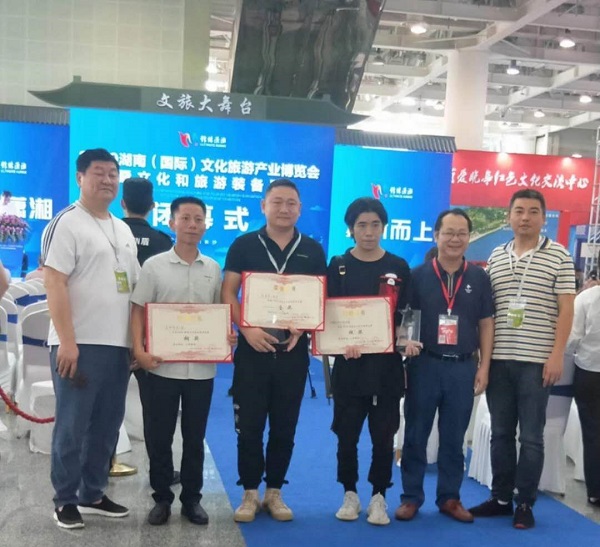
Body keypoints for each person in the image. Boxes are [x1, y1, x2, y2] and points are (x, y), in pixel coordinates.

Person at [42, 148, 139, 529]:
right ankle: (65, 499)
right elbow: (55, 282)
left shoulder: (123, 229)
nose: (108, 180)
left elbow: (133, 289)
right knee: (72, 425)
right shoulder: (67, 222)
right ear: (80, 177)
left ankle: (93, 493)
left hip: (118, 346)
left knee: (107, 424)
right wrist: (67, 341)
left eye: (113, 173)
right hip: (78, 344)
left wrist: (135, 342)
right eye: (99, 173)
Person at [221, 178, 327, 523]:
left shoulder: (312, 250)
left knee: (285, 426)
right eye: (277, 202)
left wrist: (304, 326)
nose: (284, 209)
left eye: (291, 203)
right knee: (249, 426)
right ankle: (250, 492)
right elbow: (228, 292)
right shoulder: (243, 245)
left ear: (300, 208)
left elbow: (317, 299)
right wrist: (246, 328)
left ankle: (275, 491)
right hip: (253, 352)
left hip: (292, 353)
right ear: (263, 206)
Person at [469, 189, 576, 529]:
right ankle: (501, 498)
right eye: (519, 211)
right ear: (509, 216)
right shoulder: (497, 255)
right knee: (500, 433)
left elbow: (567, 309)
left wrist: (556, 355)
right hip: (499, 359)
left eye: (532, 211)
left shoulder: (559, 255)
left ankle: (525, 502)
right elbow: (488, 313)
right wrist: (483, 359)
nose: (525, 217)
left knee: (531, 436)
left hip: (537, 361)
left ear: (544, 218)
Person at [131, 196, 231, 526]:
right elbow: (138, 310)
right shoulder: (154, 266)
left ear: (205, 225)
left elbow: (216, 314)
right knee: (159, 436)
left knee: (195, 437)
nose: (192, 225)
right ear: (172, 222)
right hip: (161, 366)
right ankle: (162, 497)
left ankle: (192, 499)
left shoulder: (212, 268)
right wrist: (138, 350)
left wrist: (225, 336)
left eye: (198, 219)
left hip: (201, 370)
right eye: (185, 218)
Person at [396, 208, 494, 524]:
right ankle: (411, 497)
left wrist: (484, 366)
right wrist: (405, 342)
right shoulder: (417, 275)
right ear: (436, 235)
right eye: (448, 232)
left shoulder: (479, 278)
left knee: (454, 437)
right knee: (416, 433)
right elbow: (407, 317)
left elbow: (486, 323)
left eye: (461, 233)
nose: (455, 239)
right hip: (425, 364)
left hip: (463, 368)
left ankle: (450, 497)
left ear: (469, 237)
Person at [327, 198, 410, 526]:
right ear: (351, 229)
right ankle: (349, 493)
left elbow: (407, 314)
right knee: (346, 436)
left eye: (375, 225)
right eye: (361, 225)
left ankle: (379, 496)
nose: (369, 232)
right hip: (349, 367)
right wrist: (339, 343)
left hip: (386, 368)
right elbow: (329, 313)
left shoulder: (398, 266)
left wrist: (406, 339)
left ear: (384, 227)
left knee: (383, 437)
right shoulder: (338, 266)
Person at [111, 177, 173, 479]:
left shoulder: (111, 235)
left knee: (109, 405)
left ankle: (104, 463)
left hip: (111, 334)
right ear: (152, 206)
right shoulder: (163, 242)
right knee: (156, 410)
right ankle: (160, 471)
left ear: (122, 203)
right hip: (151, 338)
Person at [565, 284, 600, 509]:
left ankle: (596, 491)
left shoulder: (586, 298)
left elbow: (572, 338)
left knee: (593, 433)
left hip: (590, 372)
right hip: (590, 372)